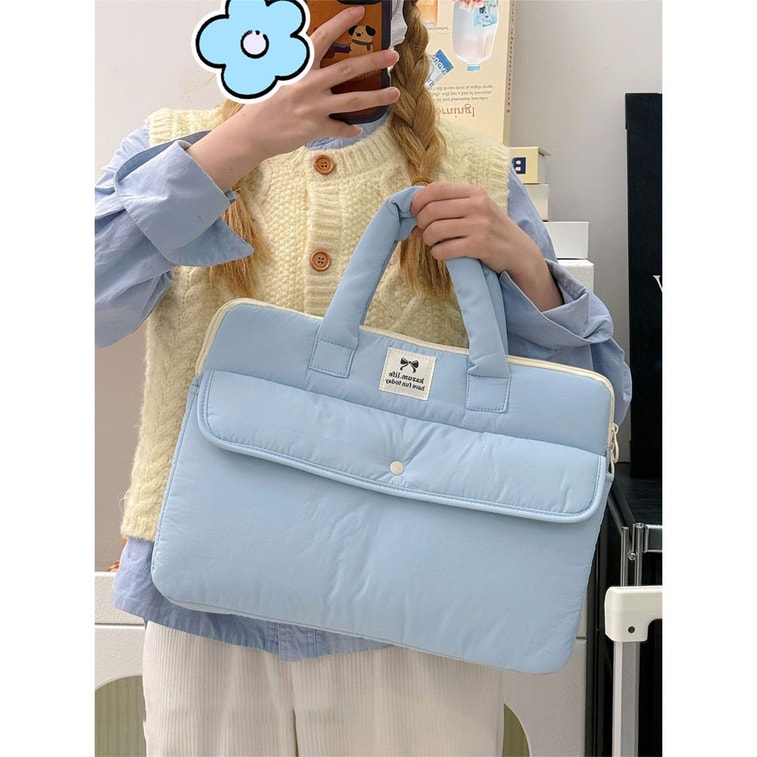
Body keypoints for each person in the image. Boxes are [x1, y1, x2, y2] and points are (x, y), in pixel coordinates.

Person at [95, 1, 631, 754]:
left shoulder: (474, 171)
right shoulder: (178, 148)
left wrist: (524, 265)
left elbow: (589, 409)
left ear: (396, 19)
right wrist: (240, 143)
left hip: (414, 598)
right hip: (206, 588)